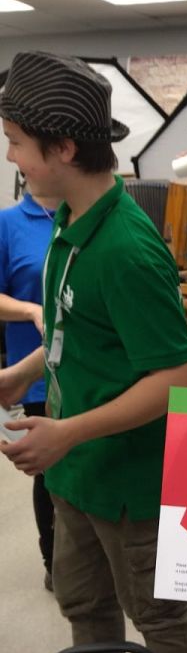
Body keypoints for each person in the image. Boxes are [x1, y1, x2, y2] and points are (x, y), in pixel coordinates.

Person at [0, 51, 187, 653]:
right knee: (85, 606)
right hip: (75, 476)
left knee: (156, 616)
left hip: (127, 484)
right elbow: (73, 330)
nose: (10, 157)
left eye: (16, 142)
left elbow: (178, 380)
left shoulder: (127, 249)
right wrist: (22, 374)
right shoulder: (69, 219)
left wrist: (67, 433)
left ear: (62, 148)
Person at [0, 184, 60, 587]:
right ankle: (54, 560)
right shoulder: (8, 224)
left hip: (89, 369)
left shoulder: (85, 215)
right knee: (49, 471)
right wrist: (30, 309)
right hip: (34, 371)